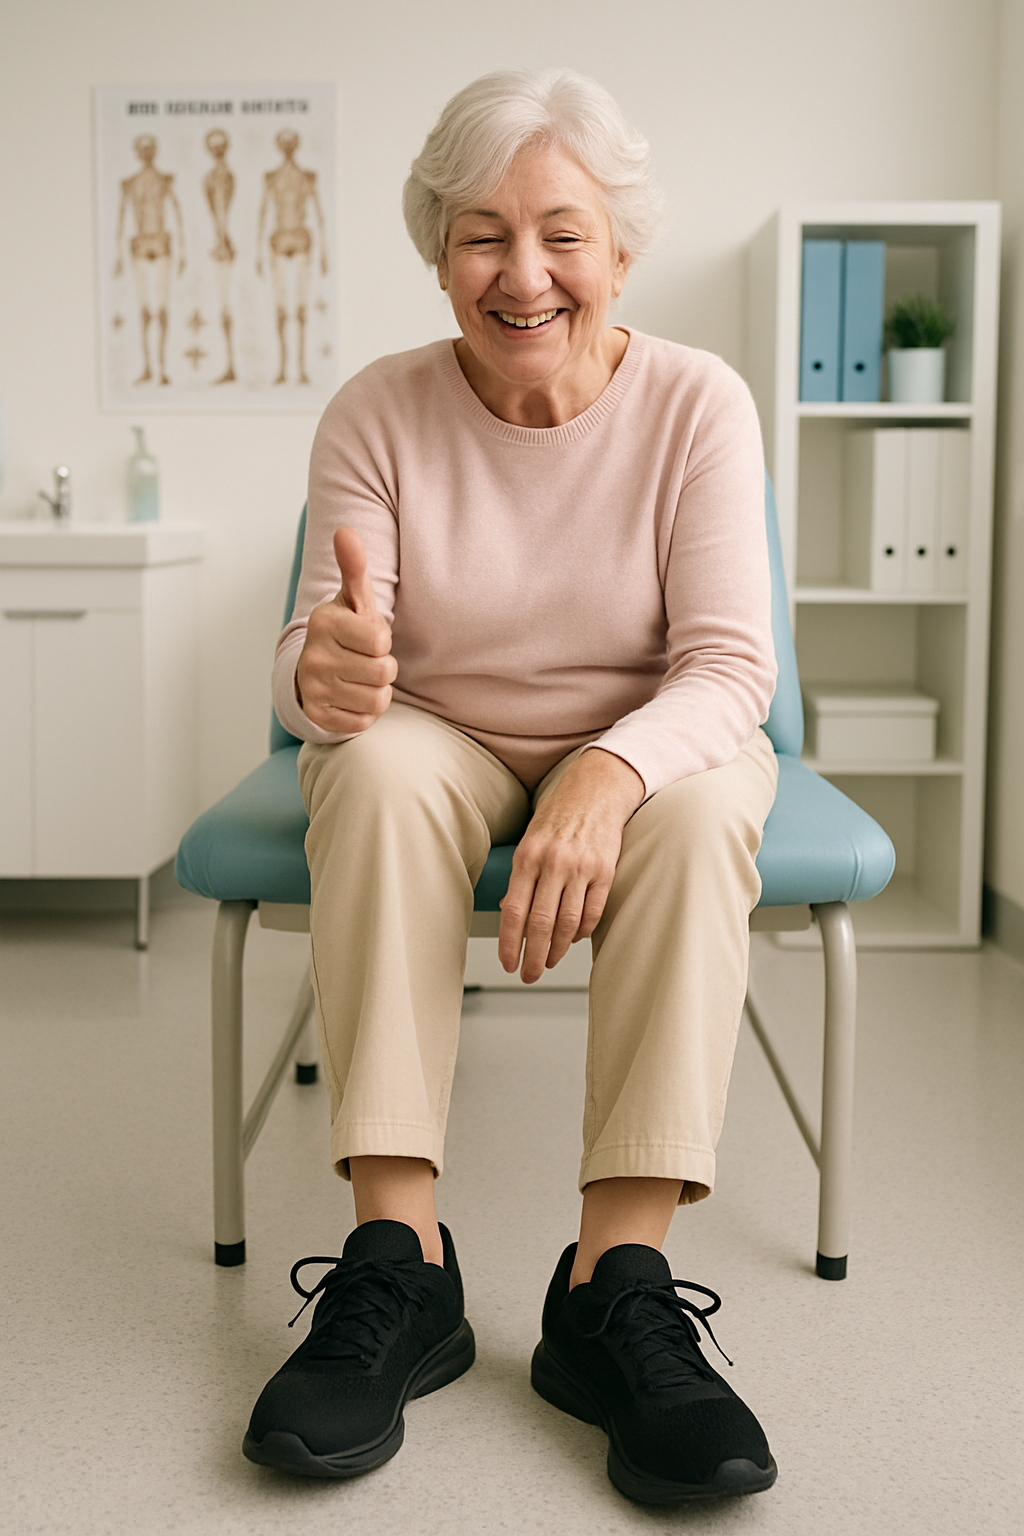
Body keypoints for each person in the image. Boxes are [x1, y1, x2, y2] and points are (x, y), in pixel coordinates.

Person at [245, 68, 780, 1504]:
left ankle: (617, 1285)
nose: (524, 273)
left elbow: (732, 669)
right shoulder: (378, 410)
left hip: (648, 727)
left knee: (712, 796)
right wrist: (327, 672)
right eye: (482, 233)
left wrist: (606, 772)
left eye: (562, 231)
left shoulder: (695, 407)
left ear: (621, 250)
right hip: (447, 728)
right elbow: (319, 644)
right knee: (369, 769)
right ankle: (400, 1262)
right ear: (437, 253)